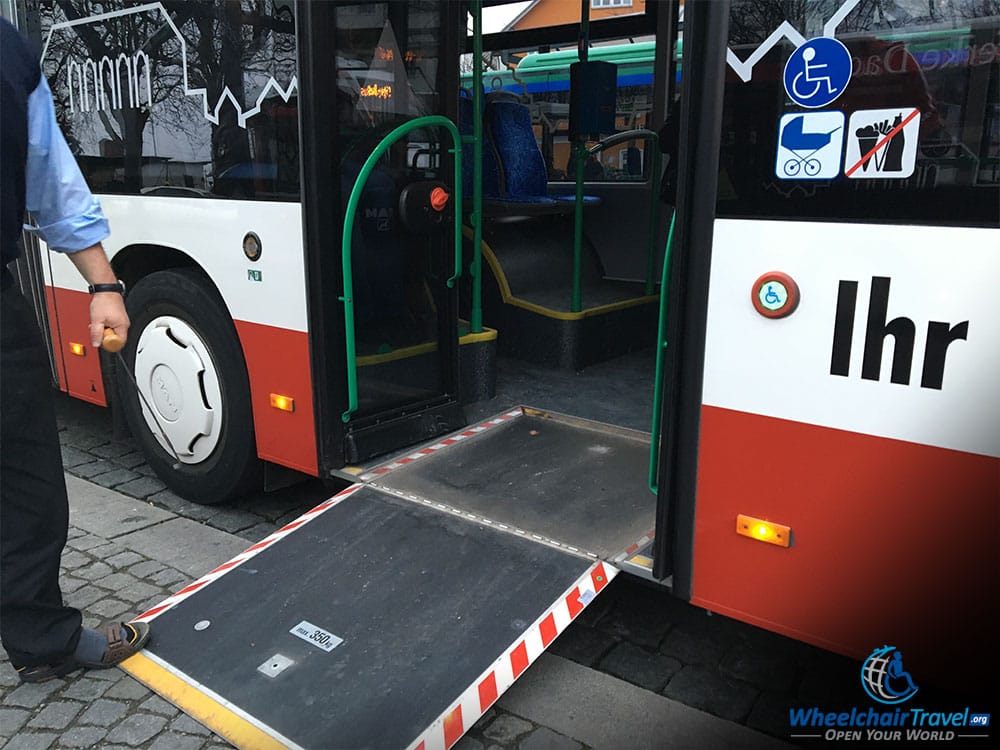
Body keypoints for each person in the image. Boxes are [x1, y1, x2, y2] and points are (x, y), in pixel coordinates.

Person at [1, 17, 150, 683]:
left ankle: (43, 640)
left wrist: (104, 283)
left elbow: (50, 176)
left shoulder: (8, 52)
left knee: (27, 479)